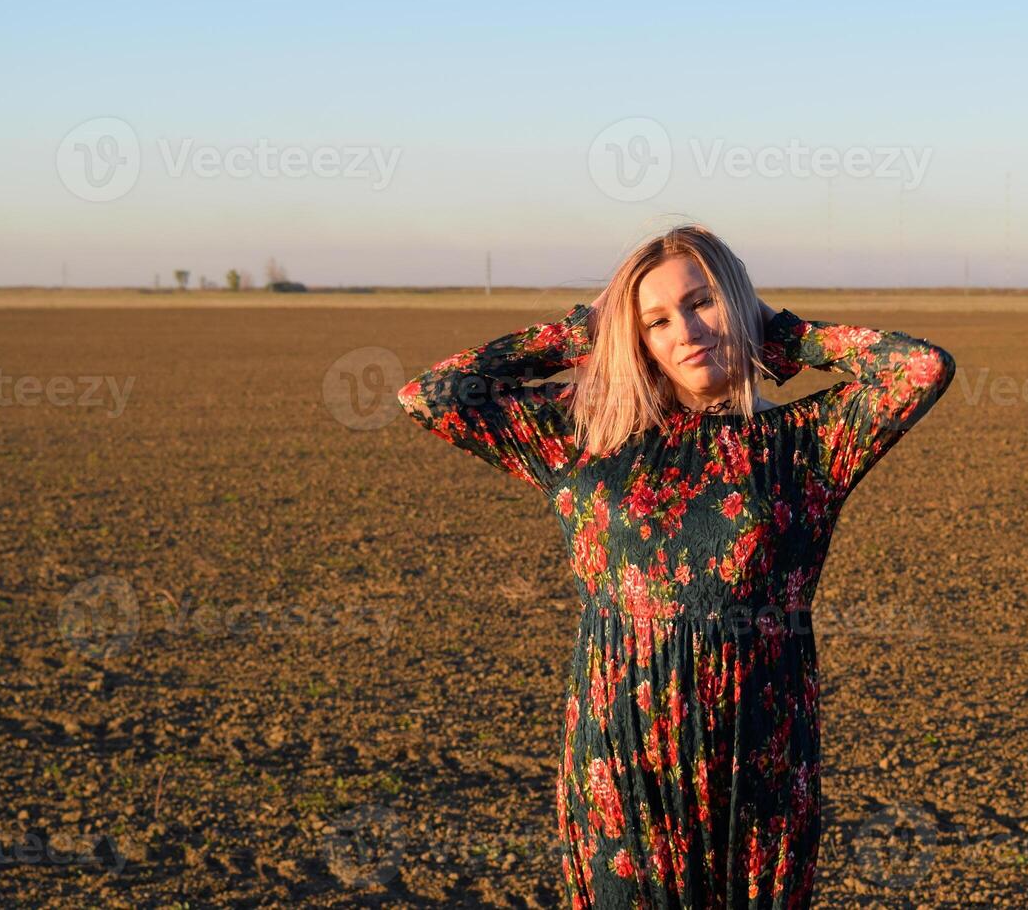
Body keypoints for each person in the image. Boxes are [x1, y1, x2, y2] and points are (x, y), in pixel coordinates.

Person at [396, 224, 956, 907]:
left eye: (704, 302)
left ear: (739, 302)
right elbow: (434, 394)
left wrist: (779, 334)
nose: (686, 331)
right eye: (656, 321)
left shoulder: (806, 442)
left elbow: (920, 368)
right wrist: (582, 333)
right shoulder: (583, 438)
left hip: (759, 757)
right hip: (624, 760)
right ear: (636, 341)